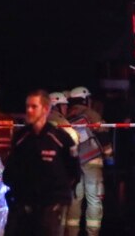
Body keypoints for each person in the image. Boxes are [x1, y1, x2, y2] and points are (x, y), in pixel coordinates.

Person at [3, 90, 80, 236]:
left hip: (51, 204)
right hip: (24, 204)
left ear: (46, 109)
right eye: (27, 107)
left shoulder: (60, 139)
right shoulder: (21, 138)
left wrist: (59, 198)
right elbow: (10, 172)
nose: (29, 111)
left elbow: (74, 171)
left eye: (34, 107)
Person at [67, 86, 107, 236]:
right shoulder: (91, 114)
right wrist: (109, 155)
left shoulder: (67, 115)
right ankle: (92, 232)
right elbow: (104, 136)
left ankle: (72, 233)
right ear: (86, 99)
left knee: (75, 199)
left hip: (75, 163)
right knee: (94, 198)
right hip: (92, 162)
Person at [49, 91, 82, 236]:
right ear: (56, 105)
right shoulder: (59, 119)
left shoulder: (37, 120)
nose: (66, 109)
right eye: (64, 105)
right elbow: (74, 139)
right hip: (59, 171)